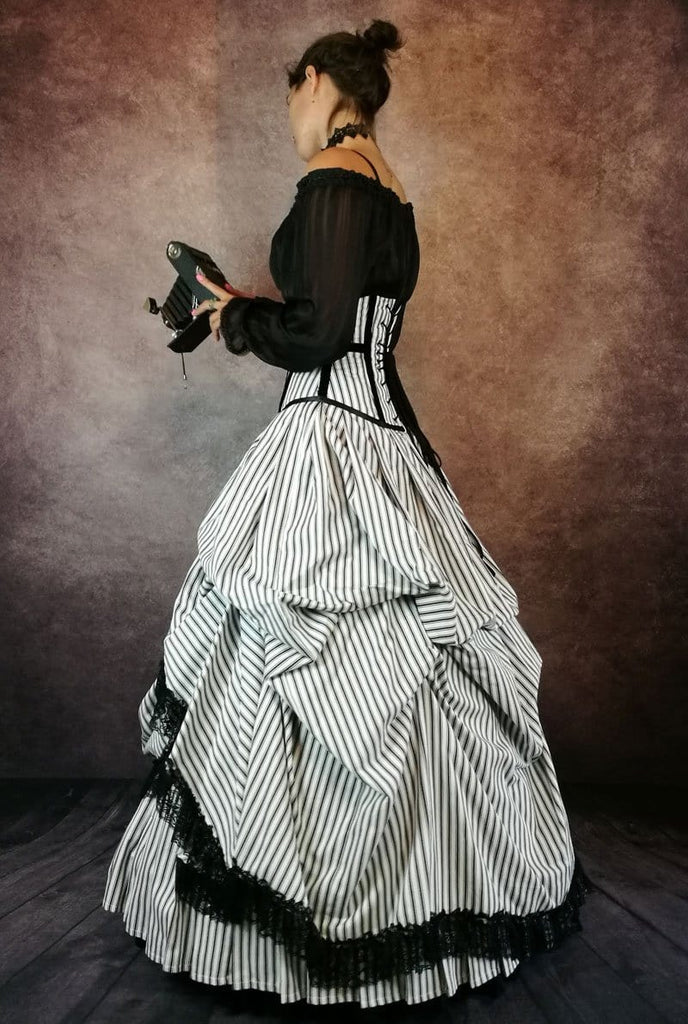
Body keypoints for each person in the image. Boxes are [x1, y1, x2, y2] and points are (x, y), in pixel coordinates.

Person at [102, 18, 594, 1009]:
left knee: (297, 639)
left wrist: (233, 316)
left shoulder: (332, 177)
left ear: (321, 80)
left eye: (292, 93)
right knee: (409, 666)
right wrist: (247, 304)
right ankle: (448, 878)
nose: (290, 115)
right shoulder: (387, 187)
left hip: (331, 444)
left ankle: (306, 910)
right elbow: (347, 320)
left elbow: (319, 335)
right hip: (376, 438)